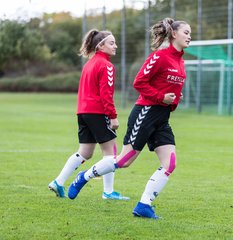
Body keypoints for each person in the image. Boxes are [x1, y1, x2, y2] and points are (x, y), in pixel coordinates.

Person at [67, 18, 192, 219]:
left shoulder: (181, 61)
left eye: (190, 33)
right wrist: (162, 97)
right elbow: (139, 82)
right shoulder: (159, 56)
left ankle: (144, 205)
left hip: (162, 117)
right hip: (146, 112)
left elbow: (169, 89)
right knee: (124, 161)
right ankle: (84, 177)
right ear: (174, 34)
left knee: (170, 163)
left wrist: (174, 98)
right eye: (186, 32)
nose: (189, 36)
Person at [48, 29, 129, 200]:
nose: (116, 46)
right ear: (101, 45)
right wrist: (112, 116)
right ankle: (108, 192)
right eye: (112, 43)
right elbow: (105, 94)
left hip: (83, 112)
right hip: (98, 112)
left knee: (85, 152)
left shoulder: (89, 63)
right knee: (111, 153)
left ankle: (58, 182)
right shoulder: (106, 65)